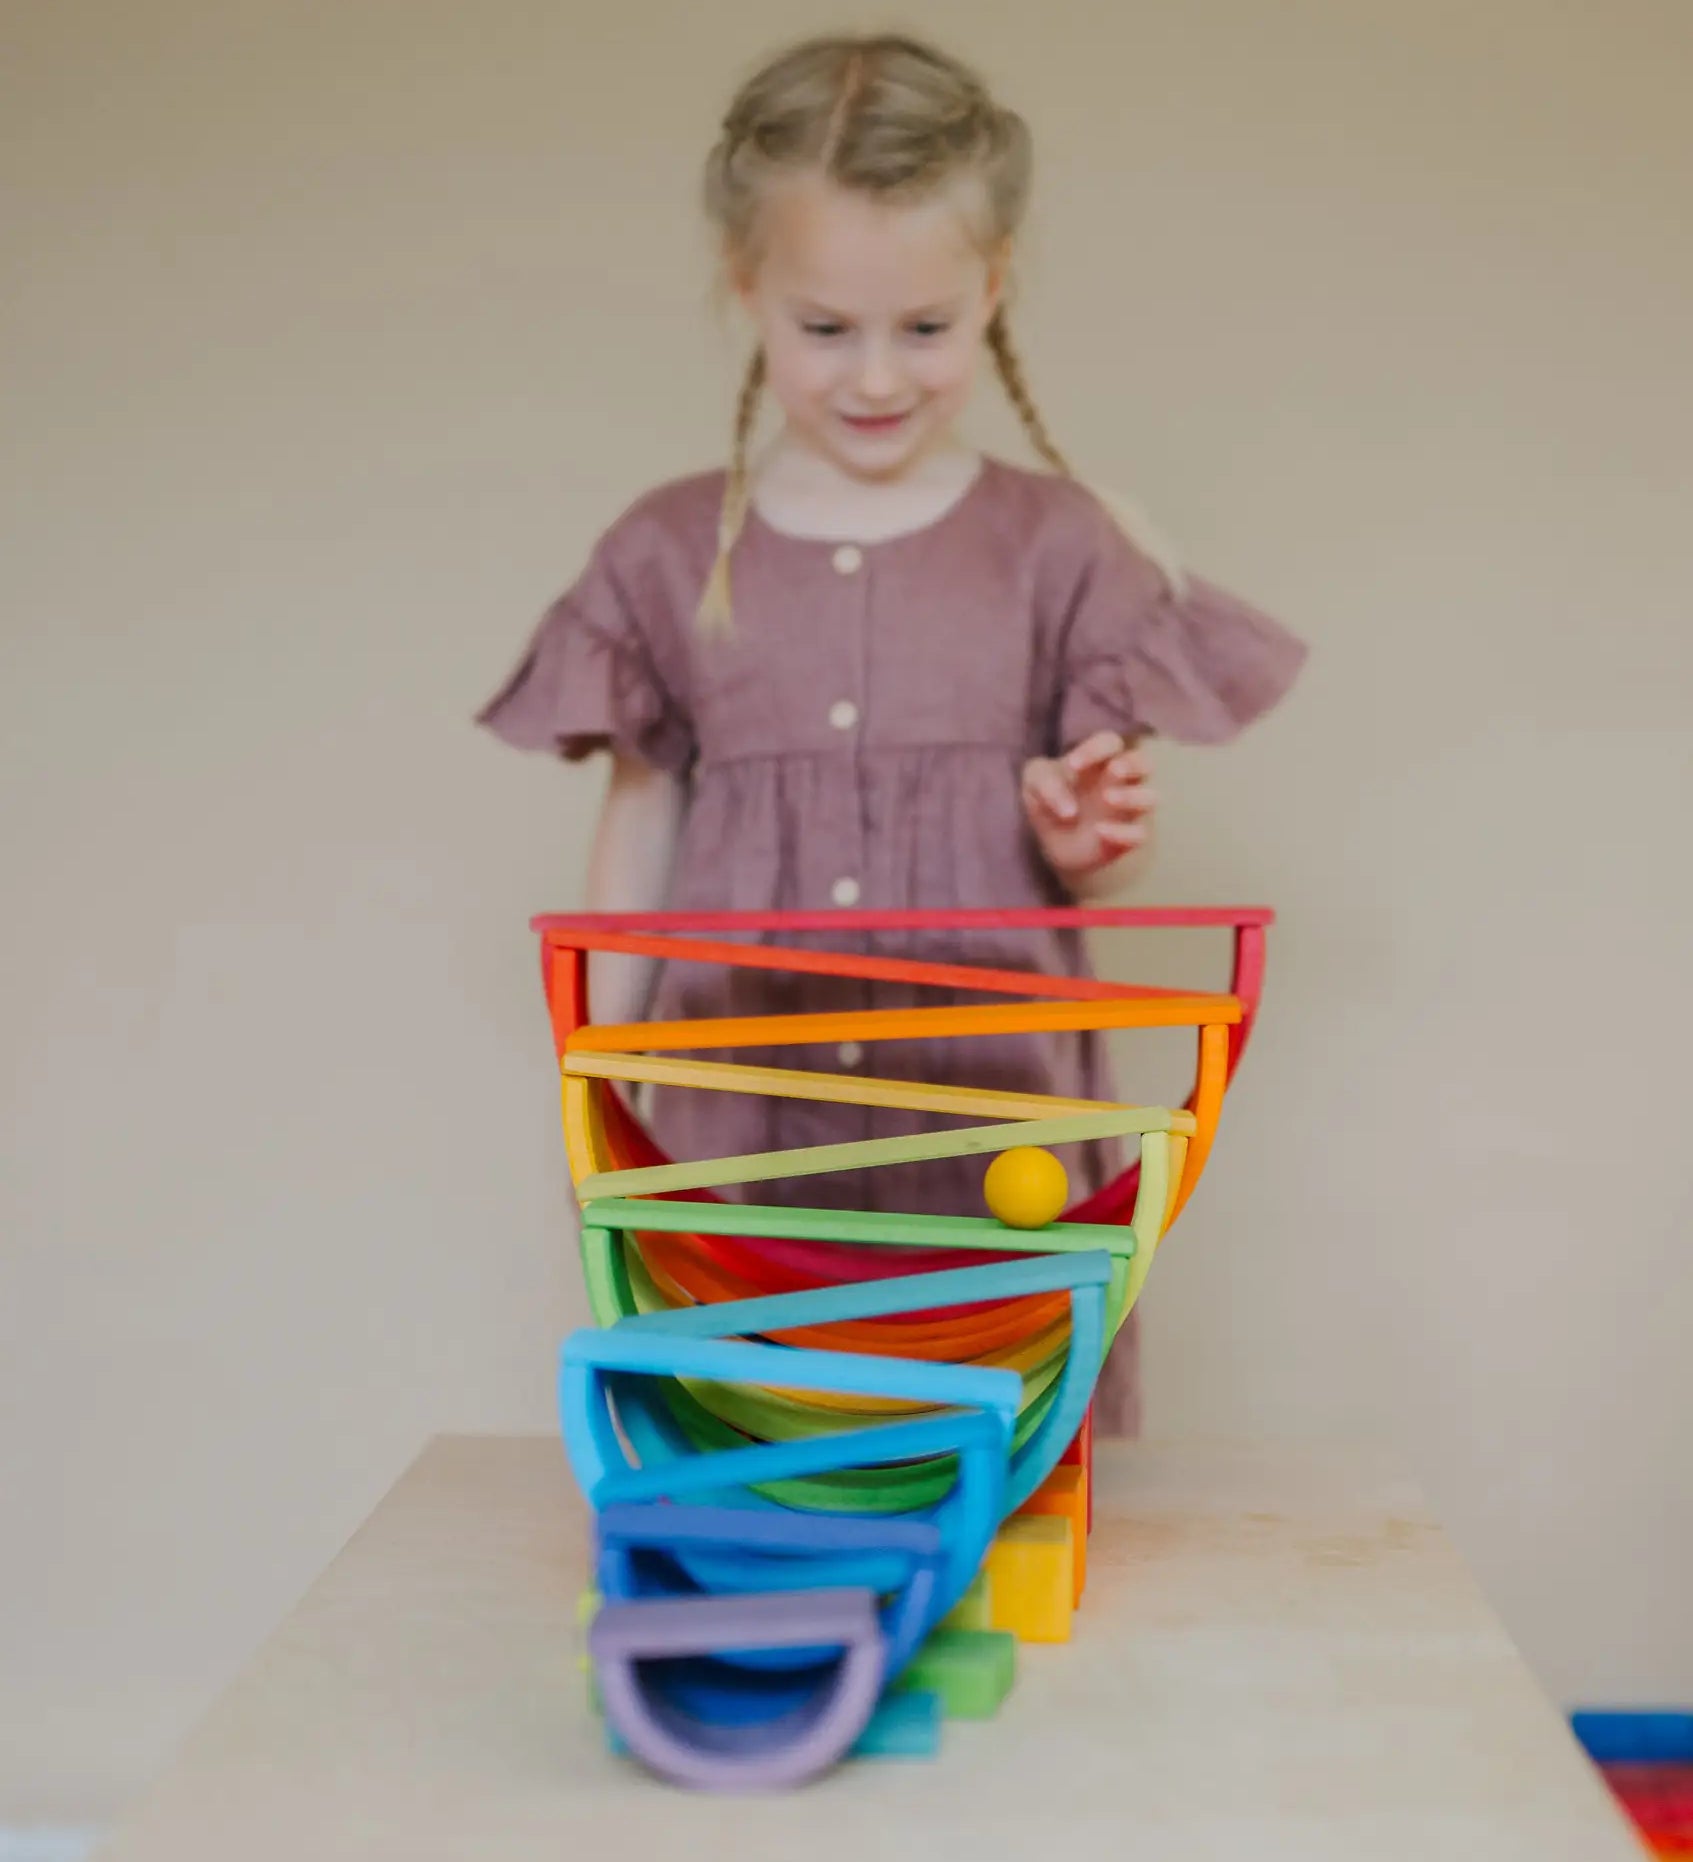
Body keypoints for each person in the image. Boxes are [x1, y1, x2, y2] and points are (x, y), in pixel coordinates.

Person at [477, 32, 1307, 1433]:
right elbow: (637, 831)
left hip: (997, 1152)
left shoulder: (1058, 548)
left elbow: (1098, 864)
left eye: (924, 328)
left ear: (993, 287)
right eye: (825, 329)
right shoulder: (669, 550)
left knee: (1006, 1487)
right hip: (737, 1147)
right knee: (762, 1463)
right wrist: (595, 1103)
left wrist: (1085, 836)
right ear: (747, 288)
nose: (876, 376)